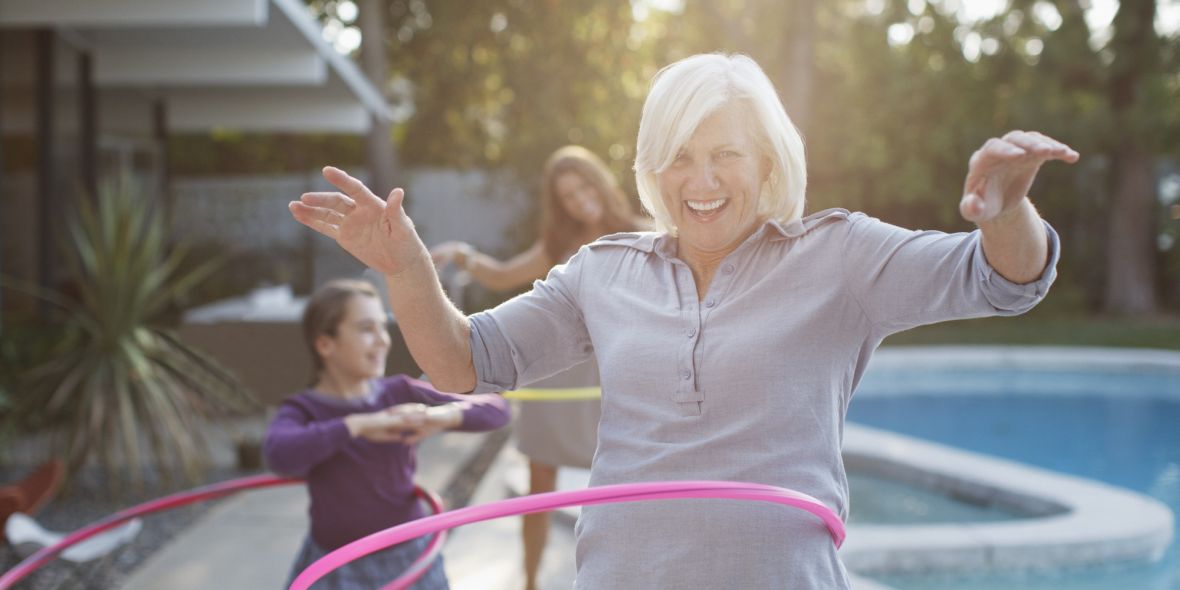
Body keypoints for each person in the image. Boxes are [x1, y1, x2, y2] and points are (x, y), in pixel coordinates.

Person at [287, 53, 1078, 589]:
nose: (700, 180)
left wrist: (1008, 213)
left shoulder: (840, 255)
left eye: (725, 154)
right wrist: (408, 271)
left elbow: (1001, 279)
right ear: (651, 167)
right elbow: (465, 363)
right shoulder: (604, 272)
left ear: (768, 161)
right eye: (678, 155)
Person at [429, 145, 645, 590]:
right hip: (560, 374)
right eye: (567, 195)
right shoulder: (558, 247)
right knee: (540, 484)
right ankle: (530, 583)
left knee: (627, 483)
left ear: (600, 181)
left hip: (613, 376)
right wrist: (461, 255)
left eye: (584, 185)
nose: (579, 199)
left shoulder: (646, 233)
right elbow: (503, 274)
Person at [263, 279, 510, 589]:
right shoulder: (305, 409)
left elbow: (496, 409)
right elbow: (279, 455)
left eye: (383, 327)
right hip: (338, 563)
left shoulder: (399, 392)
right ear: (325, 343)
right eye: (367, 329)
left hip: (408, 552)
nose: (383, 340)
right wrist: (359, 425)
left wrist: (439, 416)